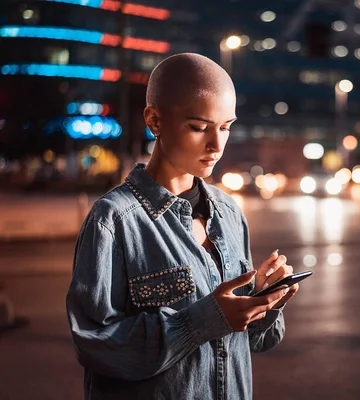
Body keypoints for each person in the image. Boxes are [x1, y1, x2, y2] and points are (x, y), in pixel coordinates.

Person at [66, 53, 299, 399]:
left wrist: (264, 301)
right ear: (155, 121)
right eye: (199, 127)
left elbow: (252, 341)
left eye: (226, 127)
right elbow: (96, 345)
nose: (216, 145)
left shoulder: (229, 212)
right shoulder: (113, 221)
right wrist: (202, 320)